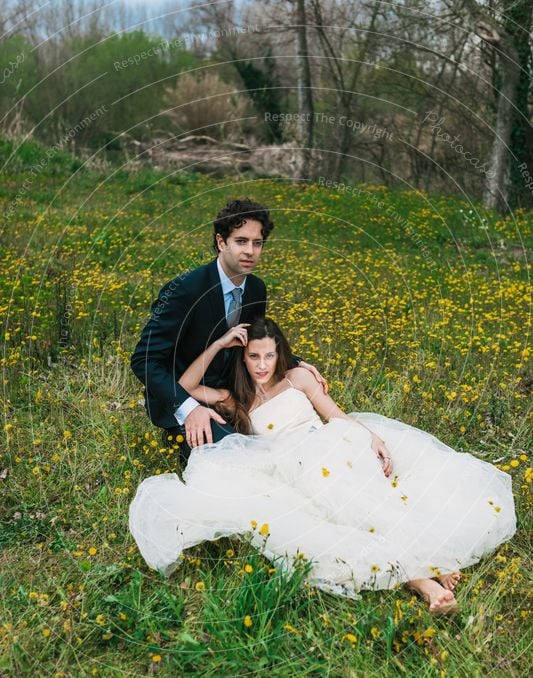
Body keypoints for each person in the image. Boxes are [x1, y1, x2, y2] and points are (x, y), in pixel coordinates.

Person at [129, 318, 517, 615]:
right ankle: (427, 580)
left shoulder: (297, 378)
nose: (262, 365)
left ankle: (431, 560)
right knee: (343, 518)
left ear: (281, 353)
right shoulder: (237, 400)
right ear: (242, 357)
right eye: (254, 356)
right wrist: (218, 344)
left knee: (371, 501)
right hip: (291, 465)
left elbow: (335, 415)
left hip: (333, 447)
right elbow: (187, 386)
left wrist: (372, 437)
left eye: (269, 355)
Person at [130, 198, 326, 462]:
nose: (250, 251)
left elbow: (254, 343)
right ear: (221, 243)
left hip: (232, 395)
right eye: (241, 241)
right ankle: (181, 430)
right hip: (186, 394)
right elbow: (144, 360)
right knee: (231, 461)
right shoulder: (185, 291)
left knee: (288, 450)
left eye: (257, 243)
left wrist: (298, 363)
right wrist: (189, 408)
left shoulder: (256, 288)